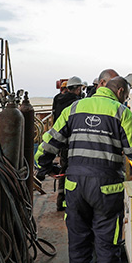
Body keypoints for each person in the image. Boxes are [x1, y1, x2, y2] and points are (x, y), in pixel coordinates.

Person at [35, 75, 132, 263]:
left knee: (78, 245)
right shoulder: (121, 112)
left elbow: (48, 143)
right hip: (106, 190)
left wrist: (43, 166)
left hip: (75, 187)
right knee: (107, 249)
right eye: (126, 95)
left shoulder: (74, 108)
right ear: (120, 91)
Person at [50, 76, 86, 211]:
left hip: (60, 139)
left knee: (63, 169)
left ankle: (60, 201)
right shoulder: (77, 102)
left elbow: (55, 117)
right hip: (73, 141)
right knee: (75, 170)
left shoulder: (57, 99)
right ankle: (73, 201)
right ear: (77, 89)